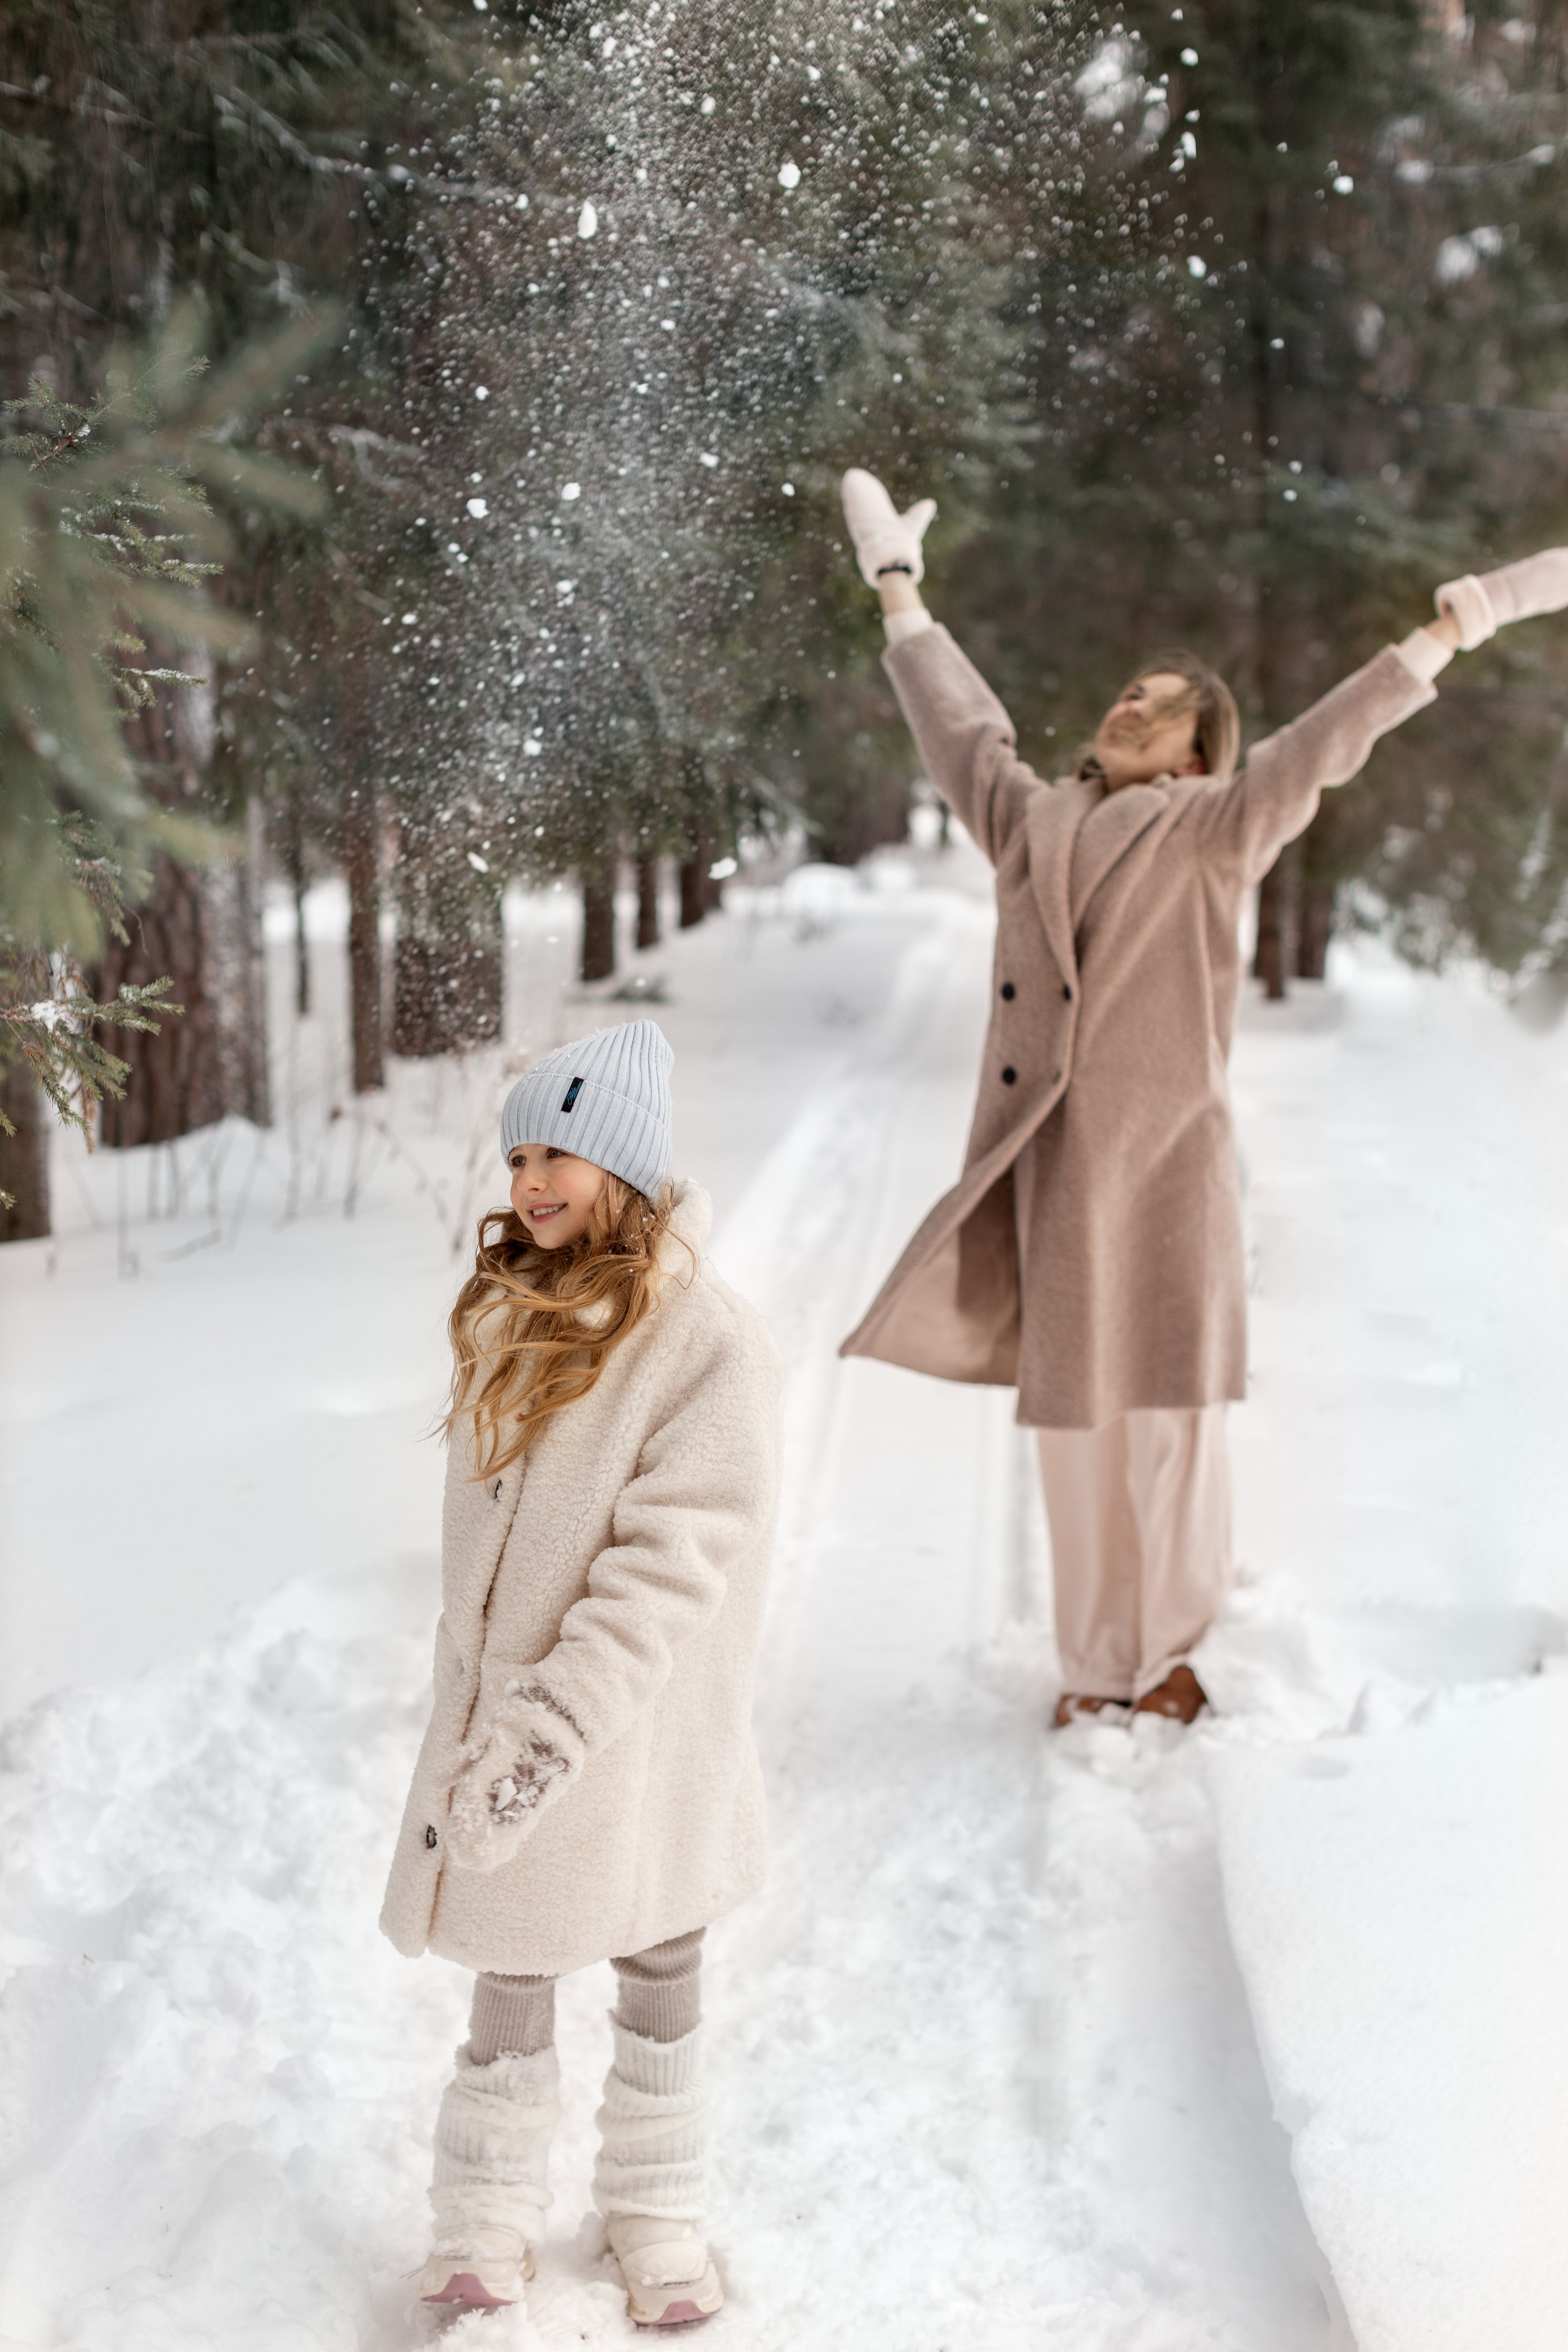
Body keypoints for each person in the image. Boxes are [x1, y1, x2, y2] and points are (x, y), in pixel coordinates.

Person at [836, 468, 1568, 1727]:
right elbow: (966, 736)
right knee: (1074, 1437)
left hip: (1166, 1164)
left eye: (1160, 707)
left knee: (1169, 1424)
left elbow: (1328, 743)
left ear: (1195, 748)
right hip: (1057, 1167)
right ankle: (1090, 1668)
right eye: (1128, 693)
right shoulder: (1031, 821)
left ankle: (1169, 1657)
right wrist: (900, 594)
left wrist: (1451, 627)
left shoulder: (1218, 826)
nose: (1131, 707)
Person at [380, 1018, 782, 2323]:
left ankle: (654, 2211)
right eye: (517, 1157)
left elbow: (664, 1572)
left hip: (641, 1724)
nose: (530, 1182)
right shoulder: (513, 1310)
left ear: (622, 1163)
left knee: (659, 1948)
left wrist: (548, 1732)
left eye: (558, 1152)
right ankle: (484, 2216)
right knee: (515, 1953)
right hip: (516, 1713)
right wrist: (499, 1715)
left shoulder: (707, 1344)